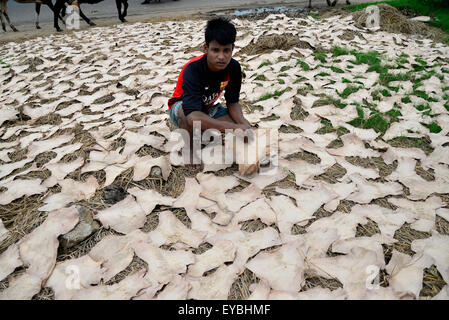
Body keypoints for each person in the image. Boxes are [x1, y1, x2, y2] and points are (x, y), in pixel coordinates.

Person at [167, 17, 252, 168]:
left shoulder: (233, 67)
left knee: (239, 125)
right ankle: (190, 148)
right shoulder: (193, 69)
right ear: (206, 48)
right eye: (215, 50)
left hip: (208, 107)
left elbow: (232, 102)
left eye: (226, 50)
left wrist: (242, 123)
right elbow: (193, 116)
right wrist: (233, 128)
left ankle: (203, 132)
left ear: (233, 48)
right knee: (189, 118)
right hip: (181, 108)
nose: (221, 56)